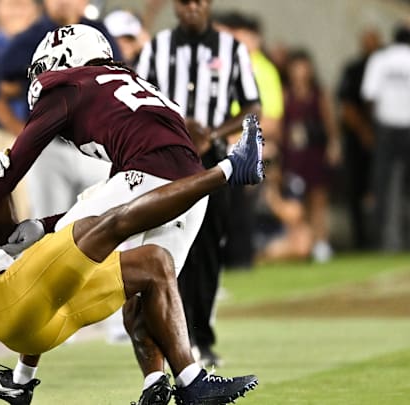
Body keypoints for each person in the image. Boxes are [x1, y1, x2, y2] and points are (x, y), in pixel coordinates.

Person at [0, 119, 262, 405]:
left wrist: (0, 186)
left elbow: (4, 238)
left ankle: (188, 384)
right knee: (102, 224)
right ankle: (229, 169)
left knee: (155, 264)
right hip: (4, 303)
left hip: (31, 315)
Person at [0, 23, 241, 404]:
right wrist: (43, 222)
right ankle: (163, 384)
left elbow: (11, 169)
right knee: (147, 279)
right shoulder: (132, 81)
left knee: (54, 257)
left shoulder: (69, 85)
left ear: (63, 57)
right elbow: (110, 189)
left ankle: (21, 380)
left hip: (148, 176)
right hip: (189, 187)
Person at [136, 0, 261, 367]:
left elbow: (253, 105)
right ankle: (170, 337)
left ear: (208, 4)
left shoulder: (232, 49)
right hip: (168, 157)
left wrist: (213, 133)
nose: (191, 8)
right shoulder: (157, 49)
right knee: (167, 247)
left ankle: (201, 338)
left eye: (198, 2)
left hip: (213, 160)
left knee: (207, 249)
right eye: (184, 2)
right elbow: (140, 99)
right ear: (176, 6)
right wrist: (179, 125)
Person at [0, 0, 118, 219]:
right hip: (50, 147)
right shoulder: (30, 38)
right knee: (46, 225)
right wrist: (19, 129)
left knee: (100, 225)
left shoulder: (100, 33)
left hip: (97, 146)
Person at [213, 11, 284, 268]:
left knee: (236, 207)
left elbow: (271, 118)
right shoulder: (225, 63)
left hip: (240, 146)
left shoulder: (260, 69)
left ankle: (239, 260)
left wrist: (231, 135)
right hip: (221, 143)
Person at [282, 49, 341, 262]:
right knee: (299, 202)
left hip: (314, 152)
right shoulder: (286, 94)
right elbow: (282, 126)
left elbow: (329, 123)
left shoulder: (318, 94)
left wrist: (333, 145)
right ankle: (304, 243)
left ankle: (322, 242)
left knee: (318, 200)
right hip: (295, 155)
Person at [361, 23, 410, 252]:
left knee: (383, 184)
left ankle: (382, 240)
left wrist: (375, 125)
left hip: (387, 127)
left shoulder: (380, 59)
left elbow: (369, 95)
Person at [337, 28, 381, 250]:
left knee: (383, 189)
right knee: (356, 188)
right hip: (357, 140)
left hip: (385, 138)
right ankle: (361, 240)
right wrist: (365, 133)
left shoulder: (385, 65)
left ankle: (383, 238)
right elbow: (347, 105)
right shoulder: (354, 69)